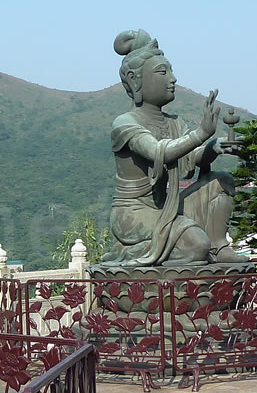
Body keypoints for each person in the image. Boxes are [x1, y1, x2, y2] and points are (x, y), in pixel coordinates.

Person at [102, 30, 247, 267]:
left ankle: (219, 245)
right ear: (135, 79)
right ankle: (134, 252)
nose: (173, 78)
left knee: (222, 180)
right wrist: (200, 134)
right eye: (163, 72)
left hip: (166, 206)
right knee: (197, 245)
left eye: (171, 70)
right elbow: (159, 151)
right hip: (134, 214)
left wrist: (214, 146)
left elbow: (189, 159)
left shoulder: (174, 122)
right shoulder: (126, 123)